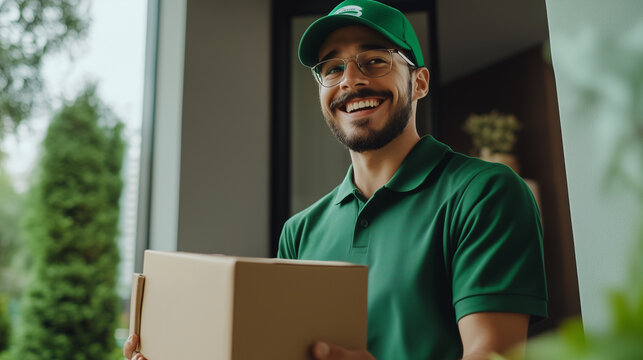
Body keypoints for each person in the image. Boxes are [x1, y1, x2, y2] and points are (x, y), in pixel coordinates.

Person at [124, 0, 547, 359]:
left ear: (418, 82)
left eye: (375, 60)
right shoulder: (300, 231)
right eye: (332, 67)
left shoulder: (484, 193)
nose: (350, 79)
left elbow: (492, 354)